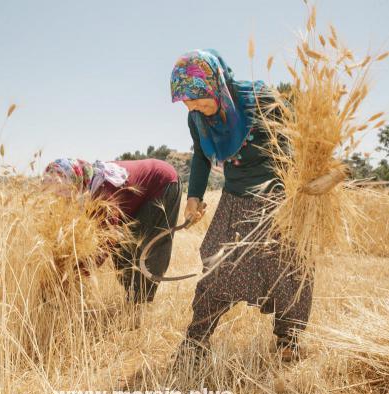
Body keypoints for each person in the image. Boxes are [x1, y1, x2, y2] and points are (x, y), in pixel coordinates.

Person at [170, 49, 313, 363]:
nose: (193, 107)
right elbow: (199, 155)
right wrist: (194, 196)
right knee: (215, 261)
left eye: (198, 99)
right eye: (186, 102)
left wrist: (297, 195)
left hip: (275, 196)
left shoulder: (259, 99)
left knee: (284, 265)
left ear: (216, 84)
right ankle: (197, 340)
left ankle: (289, 338)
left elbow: (294, 142)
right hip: (234, 196)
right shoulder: (197, 118)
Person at [43, 158, 182, 303]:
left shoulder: (103, 193)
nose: (62, 201)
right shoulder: (85, 185)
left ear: (74, 184)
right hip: (136, 197)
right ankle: (134, 298)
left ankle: (140, 305)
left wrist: (74, 277)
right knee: (123, 253)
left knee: (145, 251)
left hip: (162, 184)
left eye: (63, 196)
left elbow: (105, 243)